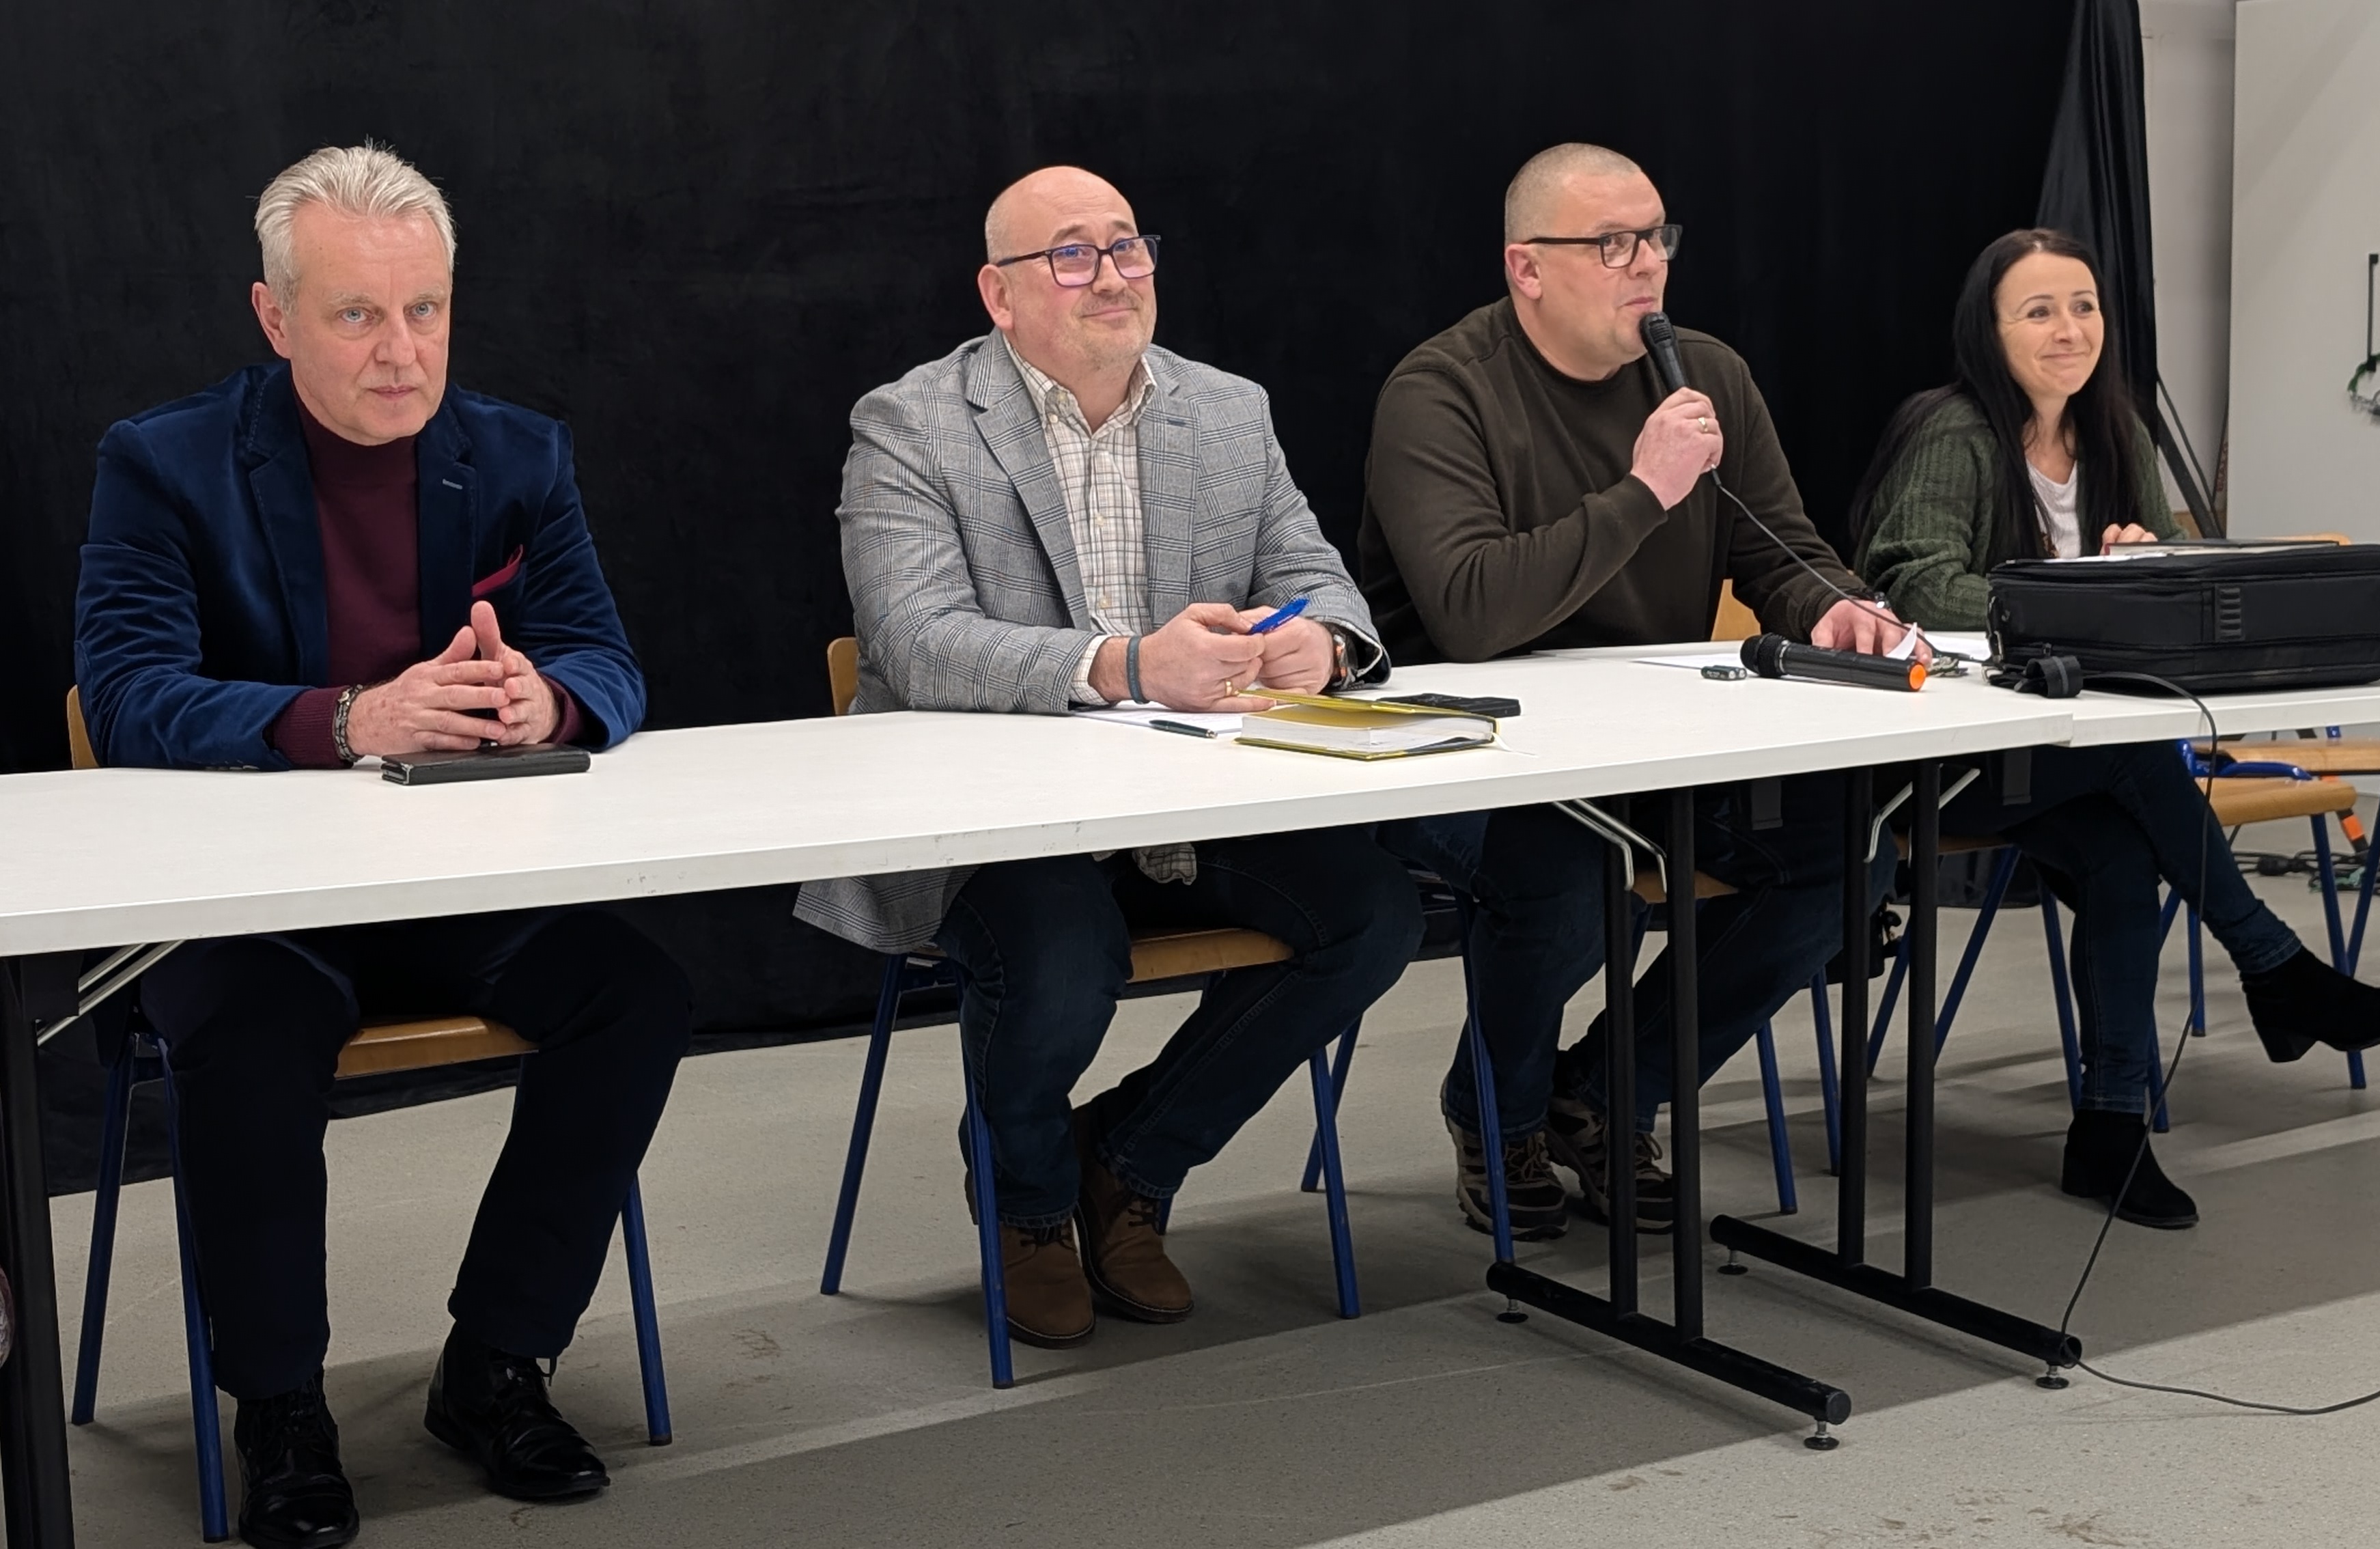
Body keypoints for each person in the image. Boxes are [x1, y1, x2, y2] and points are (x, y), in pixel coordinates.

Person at [74, 144, 690, 1548]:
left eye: (425, 311)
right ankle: (280, 1406)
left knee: (638, 996)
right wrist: (350, 718)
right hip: (246, 904)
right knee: (252, 1030)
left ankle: (497, 1364)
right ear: (275, 316)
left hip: (451, 885)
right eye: (357, 314)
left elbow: (606, 658)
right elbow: (125, 695)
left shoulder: (518, 453)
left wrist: (548, 698)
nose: (401, 351)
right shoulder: (162, 463)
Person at [796, 167, 1422, 1350]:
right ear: (999, 294)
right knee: (1062, 955)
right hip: (997, 814)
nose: (1113, 276)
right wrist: (1128, 666)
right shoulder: (912, 423)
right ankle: (1029, 1203)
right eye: (1072, 255)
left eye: (1128, 247)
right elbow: (914, 639)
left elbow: (1318, 576)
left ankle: (1128, 1160)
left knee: (1374, 917)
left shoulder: (1227, 410)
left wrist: (1327, 647)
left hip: (1192, 803)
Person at [1360, 143, 1914, 1240]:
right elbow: (1470, 613)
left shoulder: (1705, 374)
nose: (1647, 263)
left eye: (1656, 237)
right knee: (1571, 880)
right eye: (1610, 244)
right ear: (1526, 268)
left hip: (1652, 742)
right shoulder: (1441, 391)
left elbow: (1780, 550)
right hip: (1469, 752)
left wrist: (1838, 607)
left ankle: (1611, 1090)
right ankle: (1501, 1114)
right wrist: (1645, 490)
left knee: (1846, 853)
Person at [1849, 227, 2380, 1227]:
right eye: (2039, 311)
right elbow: (1914, 582)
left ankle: (2112, 1133)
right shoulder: (1955, 430)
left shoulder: (2114, 427)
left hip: (2068, 756)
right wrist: (2078, 595)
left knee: (2124, 859)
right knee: (2140, 764)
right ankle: (2276, 969)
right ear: (1989, 330)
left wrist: (2140, 564)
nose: (2069, 329)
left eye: (2083, 306)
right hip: (1951, 760)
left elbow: (2173, 579)